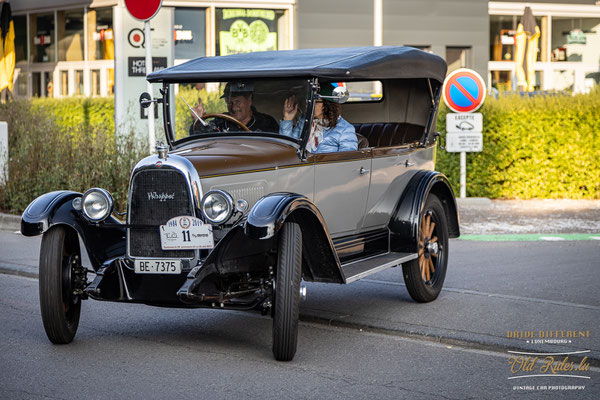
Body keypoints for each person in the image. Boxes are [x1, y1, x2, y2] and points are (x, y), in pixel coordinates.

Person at [279, 83, 357, 153]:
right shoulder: (304, 121)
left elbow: (346, 161)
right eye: (308, 101)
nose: (309, 106)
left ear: (327, 105)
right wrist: (287, 119)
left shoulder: (345, 129)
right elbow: (287, 148)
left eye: (315, 102)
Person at [190, 82, 279, 134]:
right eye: (229, 102)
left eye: (238, 101)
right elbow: (201, 141)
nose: (233, 107)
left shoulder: (266, 123)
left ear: (249, 100)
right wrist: (197, 120)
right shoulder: (220, 121)